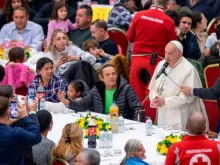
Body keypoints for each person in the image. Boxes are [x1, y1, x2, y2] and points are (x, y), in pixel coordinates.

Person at [148, 40, 208, 130]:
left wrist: (165, 101)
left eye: (170, 53)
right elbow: (153, 88)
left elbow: (188, 97)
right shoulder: (161, 65)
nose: (166, 57)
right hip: (163, 112)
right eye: (165, 52)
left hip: (181, 114)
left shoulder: (189, 70)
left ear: (179, 54)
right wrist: (154, 98)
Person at [127, 0, 176, 102]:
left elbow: (130, 37)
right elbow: (172, 46)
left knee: (135, 94)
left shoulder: (138, 15)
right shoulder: (169, 21)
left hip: (137, 60)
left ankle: (135, 117)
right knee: (151, 96)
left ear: (153, 1)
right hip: (156, 62)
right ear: (167, 5)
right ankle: (149, 118)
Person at [58, 64, 144, 121]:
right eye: (107, 75)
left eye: (113, 74)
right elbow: (83, 104)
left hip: (120, 125)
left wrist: (137, 126)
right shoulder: (97, 89)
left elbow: (138, 110)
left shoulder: (126, 89)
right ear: (102, 78)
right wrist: (65, 101)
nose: (111, 77)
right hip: (102, 124)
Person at [0, 96, 42, 165]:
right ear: (8, 111)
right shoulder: (14, 133)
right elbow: (37, 137)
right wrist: (27, 115)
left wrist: (7, 125)